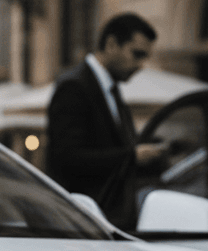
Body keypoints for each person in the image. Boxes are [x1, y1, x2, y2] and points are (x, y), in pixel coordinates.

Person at [47, 12, 167, 229]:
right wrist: (131, 156)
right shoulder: (74, 87)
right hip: (84, 224)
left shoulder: (110, 89)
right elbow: (67, 157)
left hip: (108, 221)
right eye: (137, 54)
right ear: (111, 44)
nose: (141, 65)